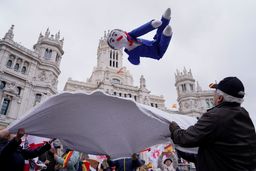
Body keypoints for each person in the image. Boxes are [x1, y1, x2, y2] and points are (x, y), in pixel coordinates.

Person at [169, 76, 256, 171]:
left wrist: (174, 128)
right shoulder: (244, 114)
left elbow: (184, 138)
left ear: (220, 98)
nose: (213, 96)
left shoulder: (215, 116)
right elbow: (225, 152)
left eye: (215, 93)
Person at [107, 8, 172, 65]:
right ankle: (166, 35)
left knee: (159, 33)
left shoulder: (131, 35)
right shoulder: (131, 53)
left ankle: (165, 19)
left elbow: (141, 30)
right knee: (164, 39)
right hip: (157, 52)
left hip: (154, 42)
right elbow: (136, 62)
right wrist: (132, 58)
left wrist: (151, 25)